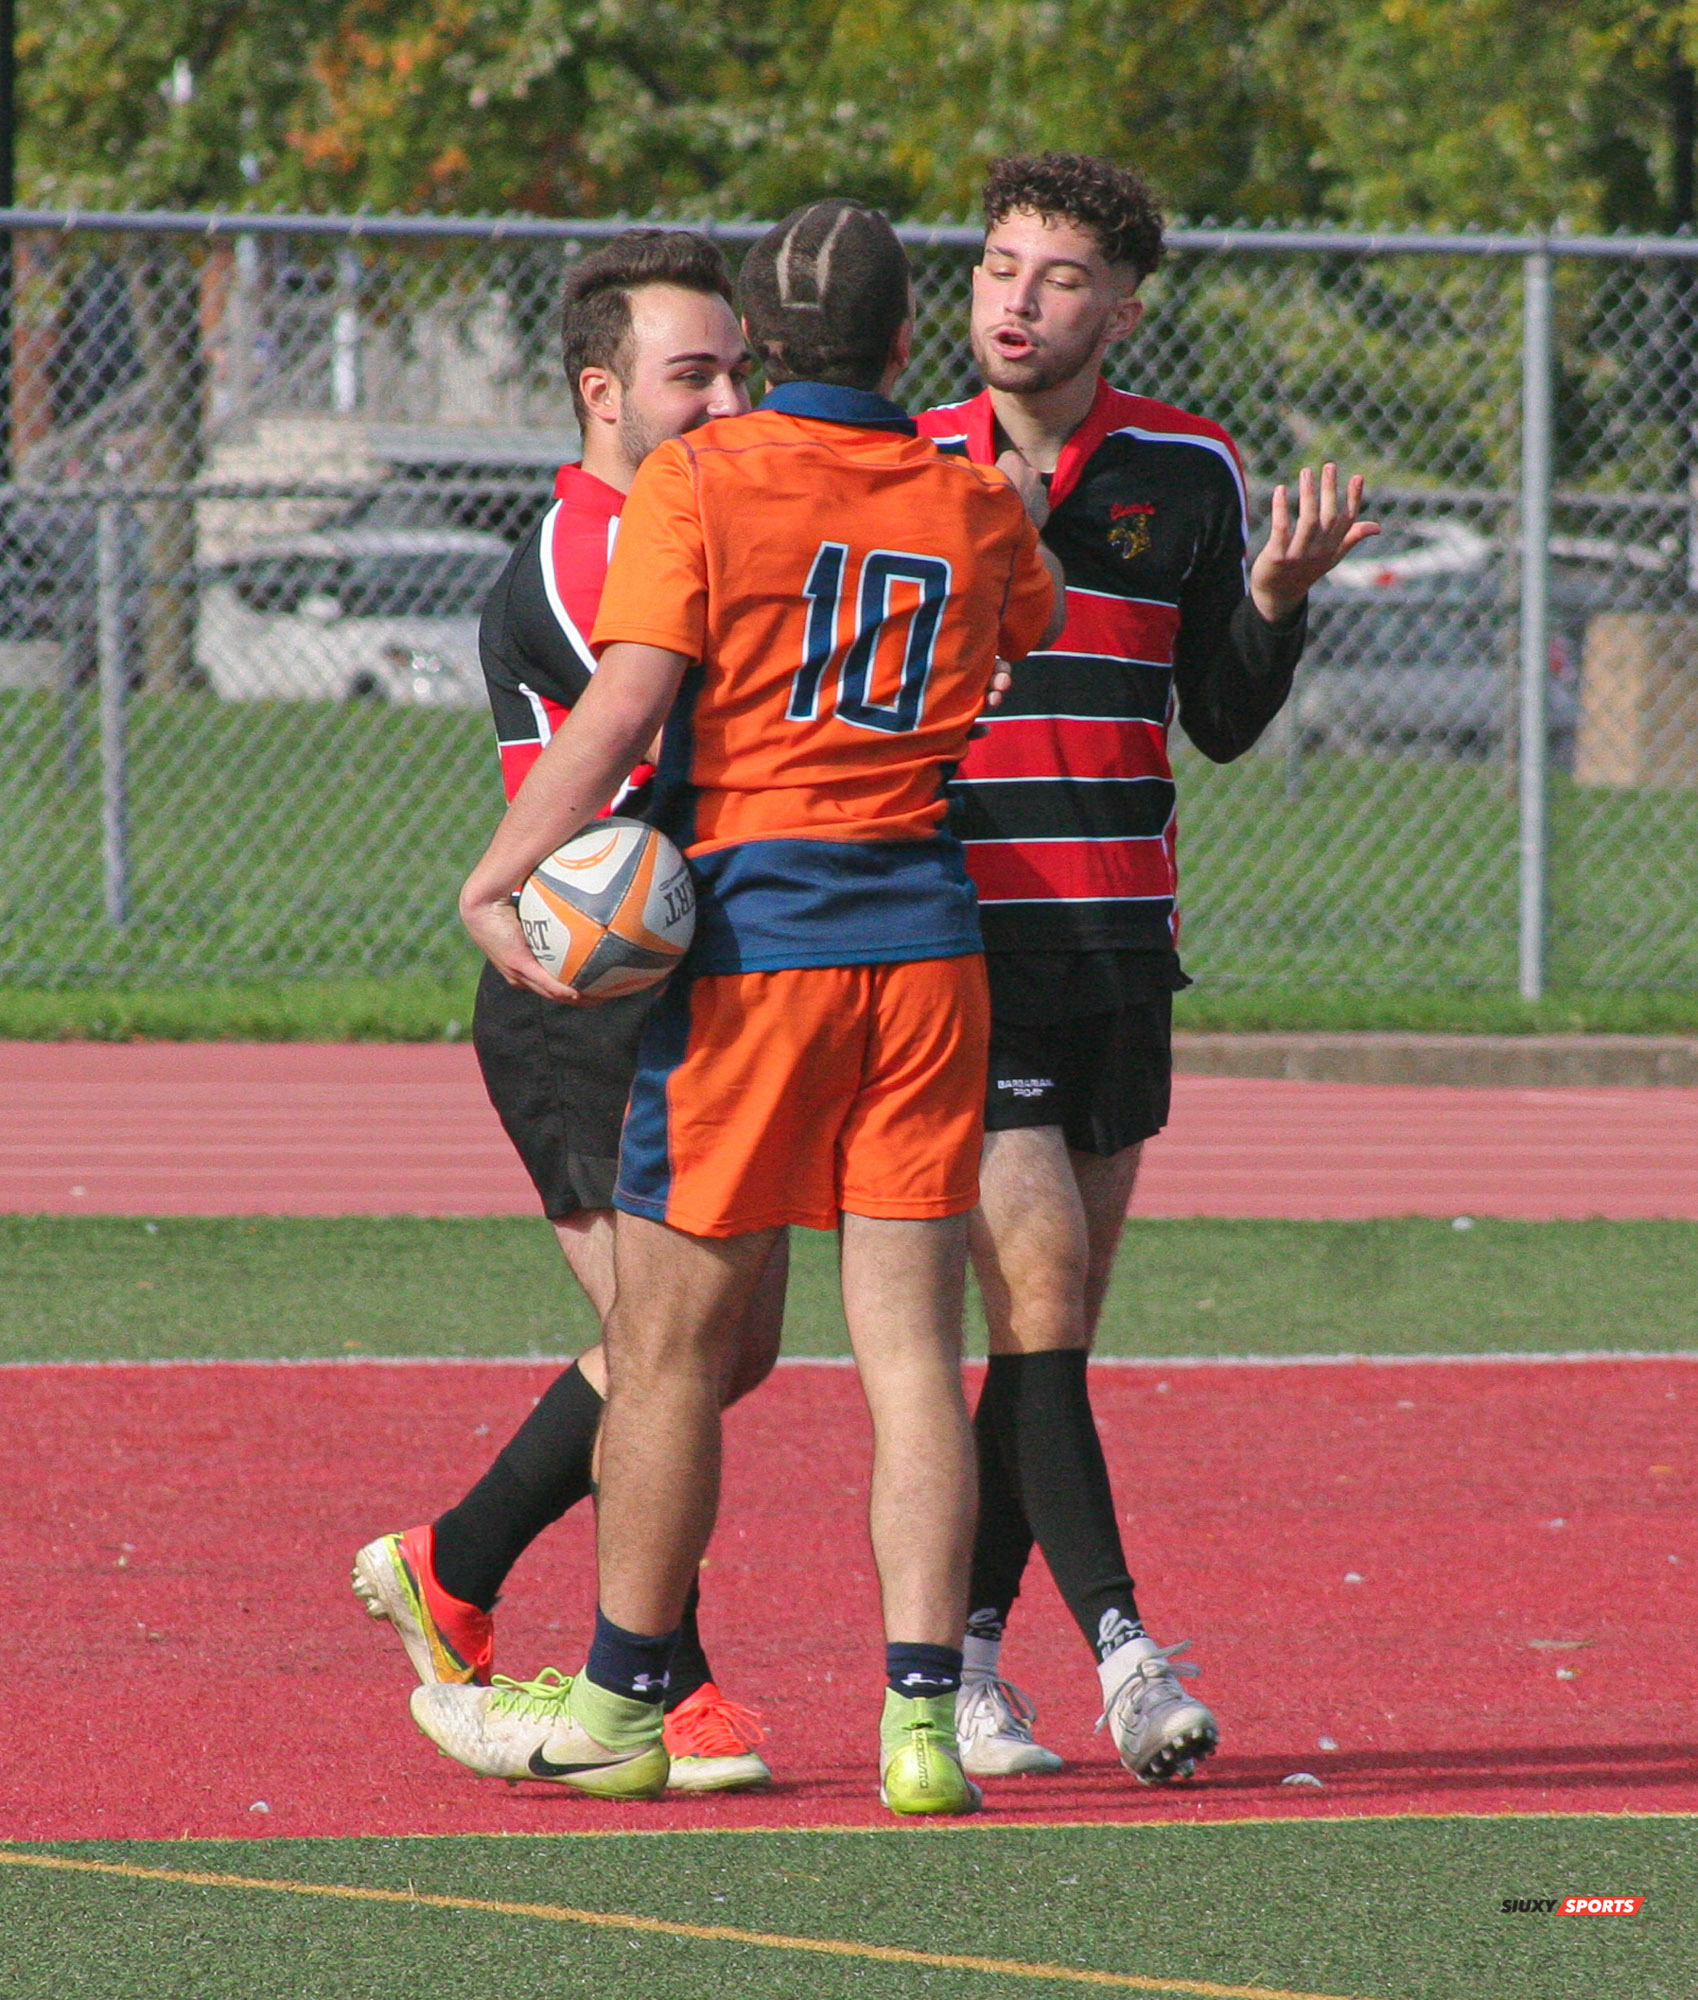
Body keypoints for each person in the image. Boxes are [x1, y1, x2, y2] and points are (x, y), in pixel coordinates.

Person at [424, 197, 1063, 1816]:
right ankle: (921, 1725)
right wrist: (1001, 513)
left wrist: (497, 876)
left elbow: (625, 702)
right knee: (912, 1350)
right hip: (926, 947)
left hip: (759, 948)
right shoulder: (965, 495)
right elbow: (1023, 621)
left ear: (760, 355)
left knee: (671, 1344)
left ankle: (628, 1695)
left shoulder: (702, 476)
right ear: (909, 344)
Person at [915, 152, 1378, 1783]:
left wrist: (1269, 600)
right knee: (1032, 1295)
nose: (1013, 301)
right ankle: (1123, 1652)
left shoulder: (1188, 467)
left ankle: (967, 1666)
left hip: (1125, 942)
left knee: (1048, 1340)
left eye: (1050, 277)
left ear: (1118, 306)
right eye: (992, 267)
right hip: (961, 947)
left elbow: (1224, 721)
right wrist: (994, 549)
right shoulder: (910, 465)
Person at [352, 228, 779, 1793]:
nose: (728, 394)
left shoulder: (699, 516)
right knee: (668, 1345)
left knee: (723, 1349)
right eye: (694, 373)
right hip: (574, 998)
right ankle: (664, 1684)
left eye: (743, 365)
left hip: (703, 993)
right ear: (604, 392)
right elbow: (648, 716)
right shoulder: (595, 546)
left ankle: (451, 1563)